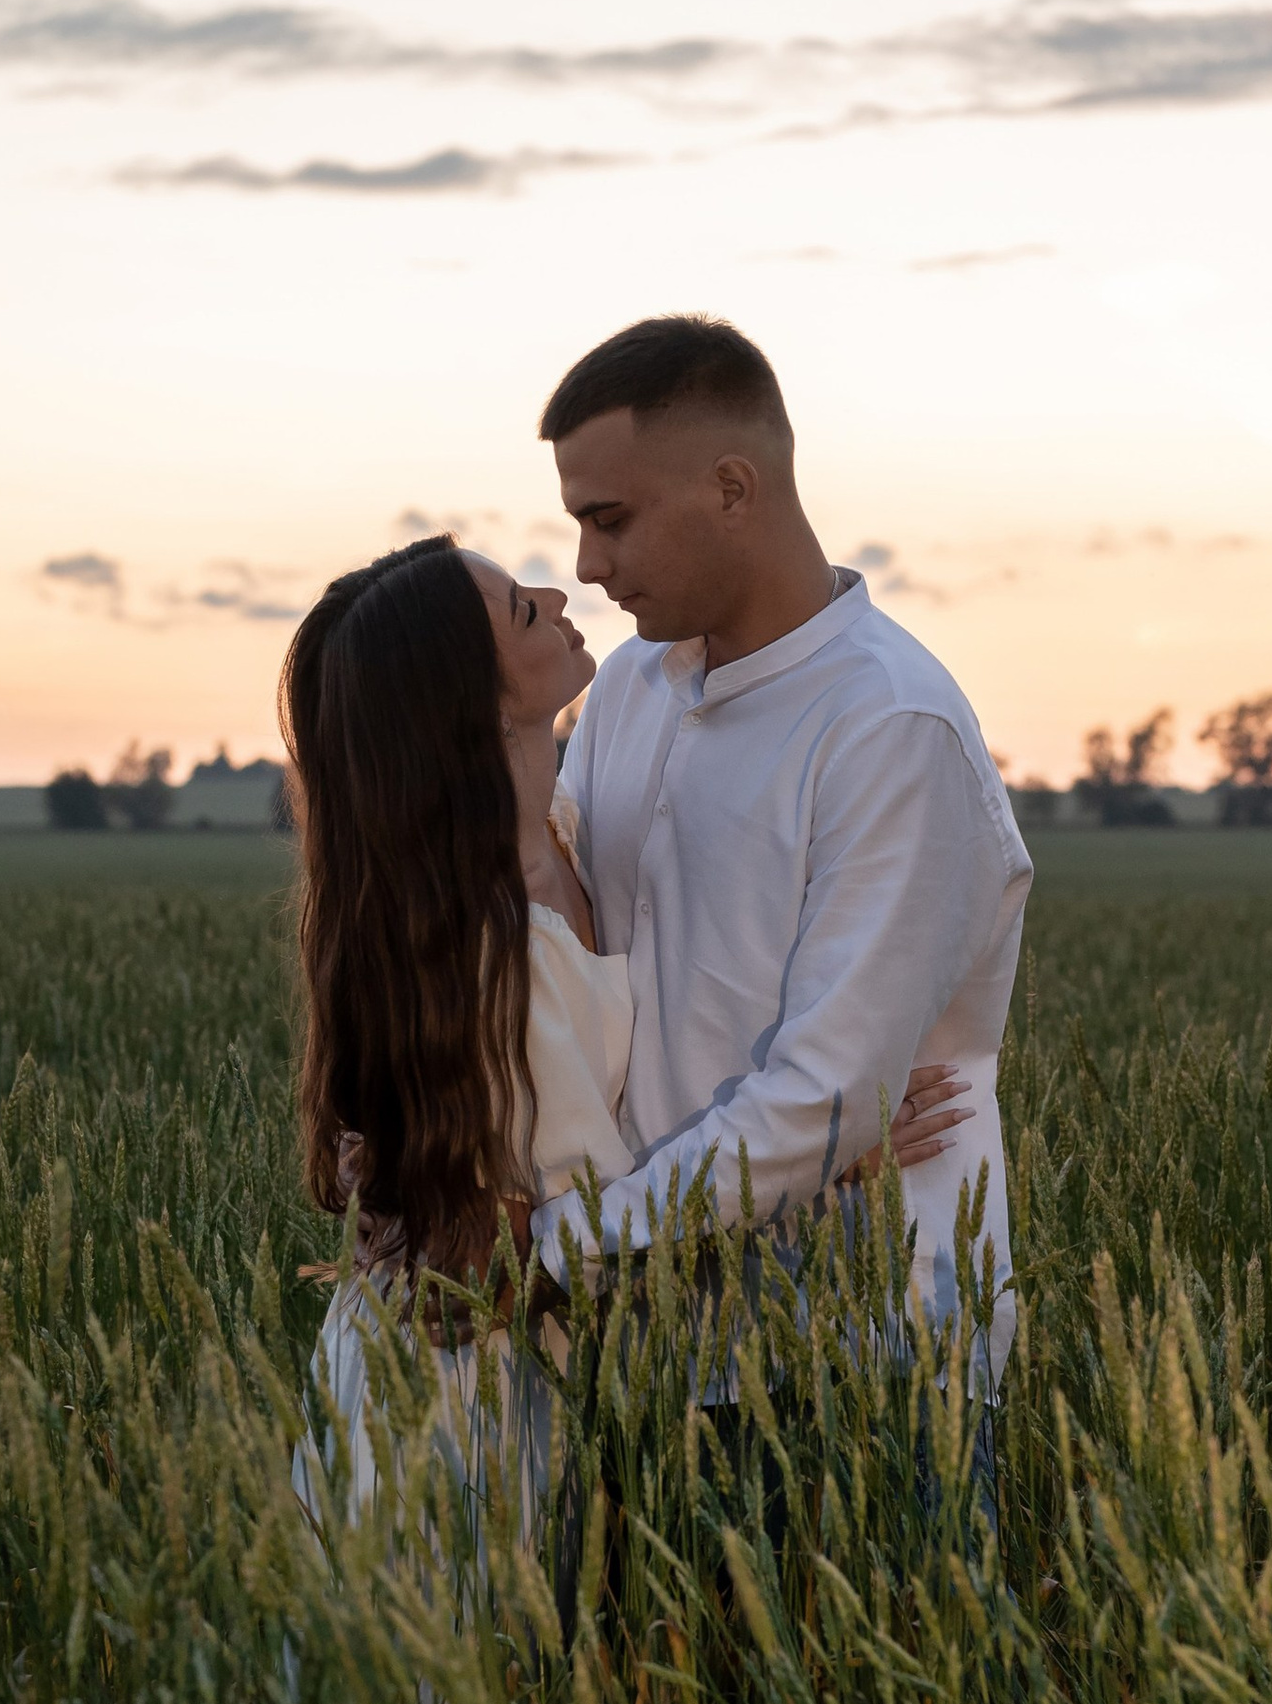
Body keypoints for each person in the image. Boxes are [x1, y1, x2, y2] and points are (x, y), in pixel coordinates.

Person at [282, 534, 968, 1543]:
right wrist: (835, 1151)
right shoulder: (487, 951)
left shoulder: (567, 831)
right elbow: (598, 1223)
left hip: (539, 1365)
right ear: (473, 699)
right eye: (521, 608)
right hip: (459, 1402)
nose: (559, 593)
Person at [530, 318, 1031, 1372]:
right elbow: (543, 947)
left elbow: (826, 1100)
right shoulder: (627, 687)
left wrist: (550, 1252)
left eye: (610, 520)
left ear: (730, 487)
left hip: (858, 1358)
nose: (585, 564)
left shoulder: (889, 727)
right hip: (637, 1345)